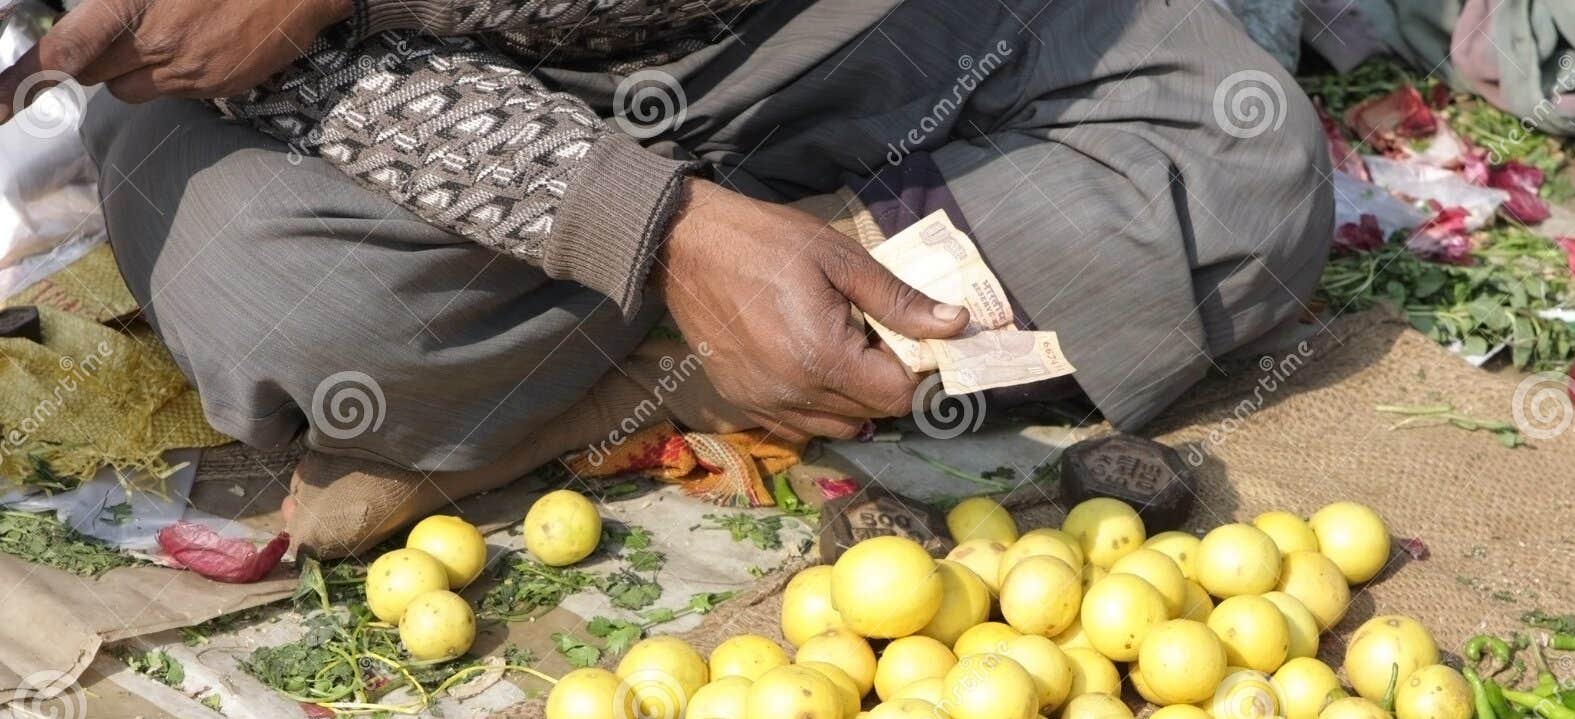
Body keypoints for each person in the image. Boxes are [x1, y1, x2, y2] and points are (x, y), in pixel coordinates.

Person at [0, 0, 1331, 553]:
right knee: (280, 300)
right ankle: (772, 291)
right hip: (417, 81)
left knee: (1242, 178)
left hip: (842, 31)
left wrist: (678, 235)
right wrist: (651, 224)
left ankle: (623, 377)